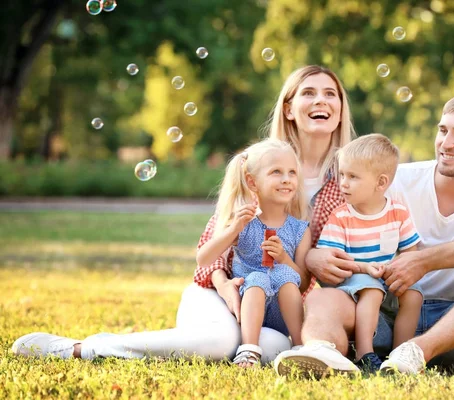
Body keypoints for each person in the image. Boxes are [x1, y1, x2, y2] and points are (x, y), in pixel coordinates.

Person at [12, 65, 359, 364]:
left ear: (341, 110)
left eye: (331, 94)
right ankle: (83, 348)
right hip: (220, 293)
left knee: (277, 347)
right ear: (288, 109)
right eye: (309, 93)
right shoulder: (259, 164)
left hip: (279, 312)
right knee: (220, 342)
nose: (320, 101)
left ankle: (245, 345)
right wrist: (225, 286)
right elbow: (210, 252)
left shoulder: (351, 185)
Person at [274, 90, 454, 377]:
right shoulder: (396, 179)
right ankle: (323, 351)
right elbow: (341, 223)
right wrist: (314, 256)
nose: (446, 143)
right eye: (443, 130)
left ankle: (416, 351)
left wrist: (425, 261)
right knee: (322, 299)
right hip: (384, 318)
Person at [196, 139, 311, 367]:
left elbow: (303, 283)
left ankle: (300, 348)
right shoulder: (243, 221)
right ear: (252, 182)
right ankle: (248, 350)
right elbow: (203, 259)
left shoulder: (299, 229)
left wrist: (283, 258)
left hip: (281, 314)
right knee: (257, 277)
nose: (286, 179)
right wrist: (234, 229)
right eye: (276, 172)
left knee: (285, 276)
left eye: (292, 172)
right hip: (245, 307)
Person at [316, 134, 423, 373]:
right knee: (372, 290)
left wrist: (396, 268)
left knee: (414, 295)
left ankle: (399, 353)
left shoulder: (397, 212)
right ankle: (366, 353)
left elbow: (410, 251)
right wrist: (365, 268)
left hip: (385, 275)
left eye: (352, 177)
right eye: (342, 174)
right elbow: (334, 259)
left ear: (381, 183)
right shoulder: (341, 217)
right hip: (354, 278)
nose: (343, 183)